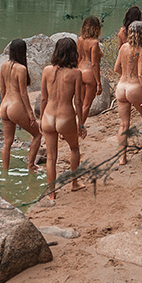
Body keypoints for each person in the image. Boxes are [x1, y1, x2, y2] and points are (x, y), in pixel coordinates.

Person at [39, 36, 85, 201]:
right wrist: (81, 124)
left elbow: (43, 98)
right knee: (74, 149)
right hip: (65, 117)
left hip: (48, 116)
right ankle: (74, 183)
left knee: (51, 157)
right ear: (74, 54)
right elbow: (78, 101)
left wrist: (40, 119)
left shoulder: (47, 70)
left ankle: (52, 194)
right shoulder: (76, 73)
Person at [112, 20, 142, 165]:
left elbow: (116, 68)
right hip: (134, 88)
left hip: (121, 87)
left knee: (124, 124)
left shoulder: (123, 47)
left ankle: (123, 158)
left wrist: (125, 76)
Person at [0, 39, 42, 173]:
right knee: (38, 135)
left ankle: (5, 172)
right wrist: (30, 113)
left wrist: (4, 105)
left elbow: (2, 90)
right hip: (15, 106)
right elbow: (23, 94)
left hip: (4, 105)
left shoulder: (3, 66)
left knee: (7, 142)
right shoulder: (21, 69)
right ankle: (31, 166)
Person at [76, 16, 104, 127]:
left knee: (78, 103)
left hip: (79, 71)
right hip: (89, 74)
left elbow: (78, 58)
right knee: (86, 105)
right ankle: (80, 127)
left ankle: (66, 127)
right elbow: (94, 64)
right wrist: (98, 83)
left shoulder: (80, 40)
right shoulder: (94, 43)